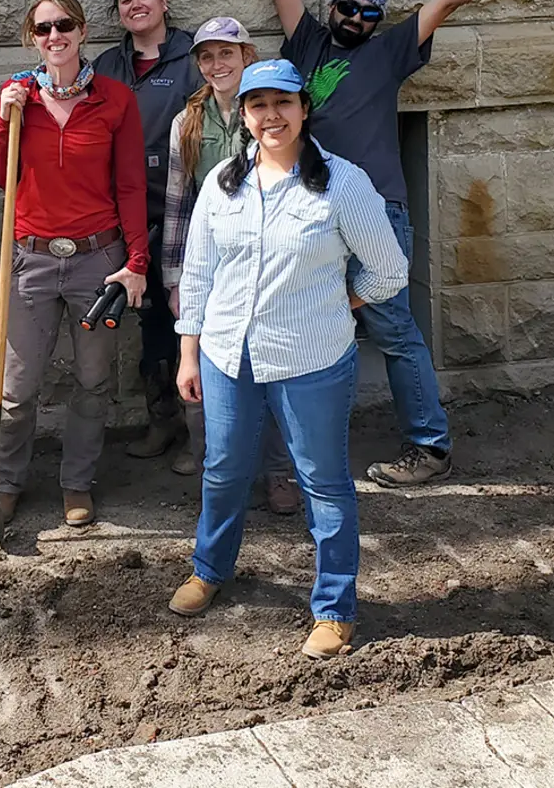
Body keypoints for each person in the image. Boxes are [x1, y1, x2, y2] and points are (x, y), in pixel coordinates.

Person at [226, 0, 552, 488]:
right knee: (309, 326)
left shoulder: (391, 50)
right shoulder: (308, 42)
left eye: (368, 12)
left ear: (378, 20)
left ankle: (430, 447)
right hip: (311, 208)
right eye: (348, 6)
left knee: (394, 331)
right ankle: (301, 457)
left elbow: (450, 0)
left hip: (377, 212)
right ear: (333, 8)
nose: (356, 18)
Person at [168, 59, 409, 659]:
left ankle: (334, 608)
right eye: (257, 106)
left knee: (323, 483)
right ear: (244, 116)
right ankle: (209, 569)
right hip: (228, 355)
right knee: (222, 470)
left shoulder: (341, 184)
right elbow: (198, 272)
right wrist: (188, 352)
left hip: (312, 358)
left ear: (304, 108)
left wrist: (340, 301)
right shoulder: (223, 182)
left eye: (282, 103)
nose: (270, 116)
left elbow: (390, 270)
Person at [0, 0, 149, 528]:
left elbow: (130, 185)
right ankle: (8, 480)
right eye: (43, 29)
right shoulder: (18, 97)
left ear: (83, 32)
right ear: (31, 38)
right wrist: (2, 122)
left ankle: (76, 482)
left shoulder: (114, 98)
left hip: (96, 259)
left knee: (92, 379)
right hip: (32, 257)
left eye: (64, 26)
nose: (54, 37)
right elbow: (0, 178)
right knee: (17, 384)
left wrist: (138, 261)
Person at [161, 17, 300, 516]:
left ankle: (279, 472)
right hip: (211, 261)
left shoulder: (271, 115)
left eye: (227, 53)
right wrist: (174, 277)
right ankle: (213, 471)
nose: (217, 64)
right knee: (202, 372)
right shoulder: (188, 123)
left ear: (246, 55)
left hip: (268, 260)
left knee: (274, 369)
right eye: (207, 57)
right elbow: (178, 202)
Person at [94, 0, 203, 458]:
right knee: (151, 322)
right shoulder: (106, 66)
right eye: (125, 0)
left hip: (186, 214)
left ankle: (203, 438)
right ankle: (163, 422)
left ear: (163, 1)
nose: (135, 5)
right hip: (127, 218)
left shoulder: (193, 60)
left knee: (193, 318)